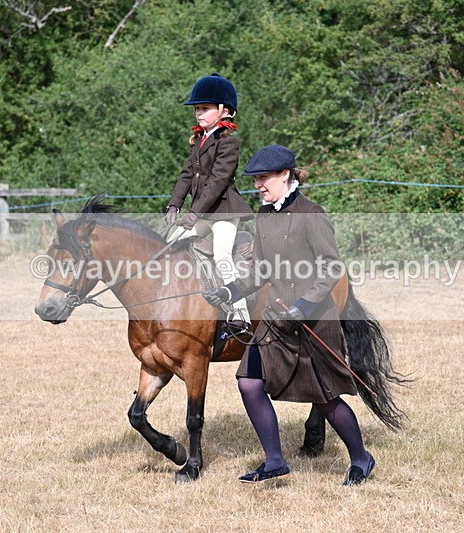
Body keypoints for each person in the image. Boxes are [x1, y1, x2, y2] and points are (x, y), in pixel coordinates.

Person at [203, 145, 376, 486]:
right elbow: (259, 270)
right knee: (249, 382)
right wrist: (230, 291)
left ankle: (361, 458)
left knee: (325, 399)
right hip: (275, 318)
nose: (259, 186)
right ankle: (275, 461)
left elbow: (331, 267)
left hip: (312, 320)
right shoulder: (263, 216)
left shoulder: (312, 214)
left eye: (264, 178)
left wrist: (303, 307)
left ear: (286, 175)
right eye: (256, 180)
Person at [165, 73, 253, 336]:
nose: (198, 113)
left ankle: (240, 315)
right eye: (196, 109)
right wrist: (174, 205)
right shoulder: (199, 140)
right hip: (201, 213)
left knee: (223, 255)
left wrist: (194, 213)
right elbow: (186, 175)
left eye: (204, 108)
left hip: (224, 212)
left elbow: (217, 181)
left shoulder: (229, 143)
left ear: (224, 111)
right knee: (172, 241)